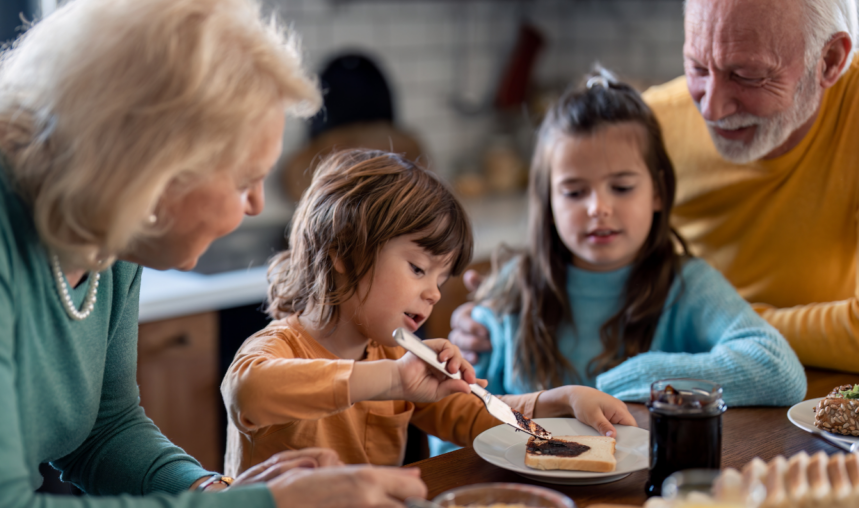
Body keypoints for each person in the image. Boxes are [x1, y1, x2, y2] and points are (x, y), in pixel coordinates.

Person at [0, 0, 432, 507]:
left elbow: (106, 432)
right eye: (244, 179)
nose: (258, 203)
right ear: (151, 165)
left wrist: (207, 487)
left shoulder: (104, 226)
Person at [451, 0, 859, 375]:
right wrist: (501, 310)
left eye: (747, 75)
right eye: (698, 68)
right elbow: (570, 254)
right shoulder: (647, 128)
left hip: (820, 395)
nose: (711, 108)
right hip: (684, 393)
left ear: (830, 60)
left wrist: (725, 331)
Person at [221, 148, 636, 475]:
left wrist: (560, 400)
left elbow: (472, 415)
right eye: (418, 269)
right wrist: (392, 380)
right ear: (343, 254)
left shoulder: (389, 357)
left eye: (440, 280)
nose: (434, 294)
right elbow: (248, 392)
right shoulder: (279, 348)